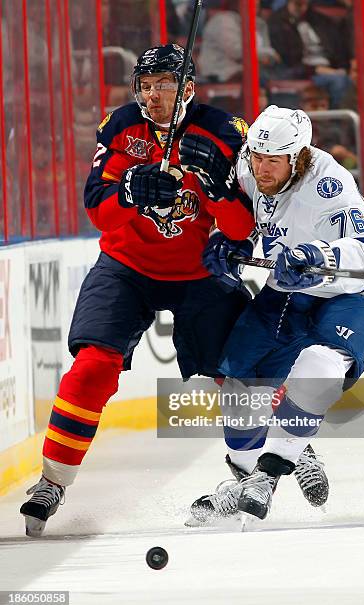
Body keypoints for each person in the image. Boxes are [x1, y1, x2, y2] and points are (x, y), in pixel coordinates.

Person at [19, 43, 257, 537]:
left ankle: (272, 459)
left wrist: (217, 187)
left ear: (188, 88)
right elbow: (96, 207)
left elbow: (241, 230)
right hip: (126, 267)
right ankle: (52, 481)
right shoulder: (120, 126)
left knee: (245, 370)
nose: (153, 96)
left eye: (165, 86)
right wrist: (129, 191)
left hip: (199, 271)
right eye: (146, 87)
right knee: (91, 368)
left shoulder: (224, 132)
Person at [185, 105, 364, 522]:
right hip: (288, 289)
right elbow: (238, 220)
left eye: (272, 161)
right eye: (256, 158)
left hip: (350, 293)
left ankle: (271, 469)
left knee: (319, 366)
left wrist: (315, 255)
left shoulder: (329, 183)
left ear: (297, 157)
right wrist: (229, 244)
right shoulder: (251, 169)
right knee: (239, 377)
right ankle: (256, 471)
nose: (261, 169)